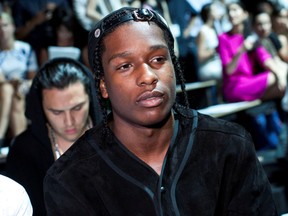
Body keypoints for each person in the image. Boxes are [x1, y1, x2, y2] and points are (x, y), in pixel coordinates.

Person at [43, 7, 277, 215]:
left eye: (157, 59)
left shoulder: (229, 146)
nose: (147, 76)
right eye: (125, 66)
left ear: (174, 66)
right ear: (103, 85)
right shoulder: (70, 179)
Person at [5, 57, 102, 216]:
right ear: (41, 109)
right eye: (57, 112)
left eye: (77, 108)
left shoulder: (118, 138)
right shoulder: (25, 151)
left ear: (91, 99)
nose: (69, 121)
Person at [217, 1, 287, 103]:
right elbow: (229, 70)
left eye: (235, 10)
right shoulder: (224, 38)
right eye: (229, 11)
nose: (231, 14)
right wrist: (241, 50)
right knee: (273, 77)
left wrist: (281, 76)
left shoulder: (250, 36)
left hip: (250, 82)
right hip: (235, 86)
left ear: (245, 14)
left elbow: (265, 59)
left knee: (281, 73)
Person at [0, 11, 38, 147]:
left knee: (17, 95)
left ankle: (16, 144)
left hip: (22, 87)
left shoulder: (25, 49)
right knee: (6, 90)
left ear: (12, 26)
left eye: (4, 25)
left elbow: (33, 78)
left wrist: (22, 84)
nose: (2, 30)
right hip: (3, 89)